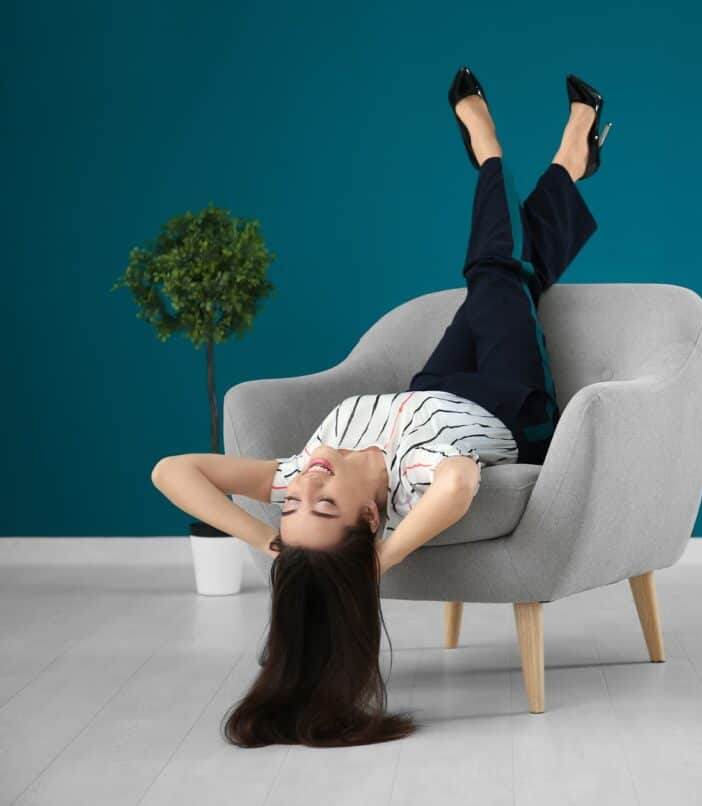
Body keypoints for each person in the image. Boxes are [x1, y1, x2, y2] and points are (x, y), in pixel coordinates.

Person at [151, 66, 611, 748]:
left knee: (515, 269)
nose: (305, 488)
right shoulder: (411, 488)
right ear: (371, 513)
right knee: (493, 270)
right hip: (512, 402)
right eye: (326, 506)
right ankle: (491, 147)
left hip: (432, 384)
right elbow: (458, 484)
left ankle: (571, 160)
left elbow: (172, 471)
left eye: (295, 506)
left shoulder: (299, 471)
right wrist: (383, 558)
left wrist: (270, 544)